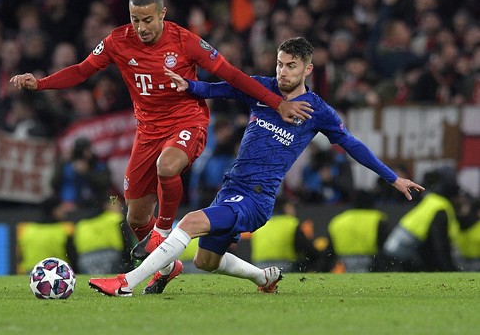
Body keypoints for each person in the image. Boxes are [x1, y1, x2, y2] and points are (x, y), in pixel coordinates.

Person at [10, 0, 313, 291]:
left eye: (147, 20)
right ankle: (167, 266)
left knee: (167, 167)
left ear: (162, 14)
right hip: (147, 132)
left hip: (187, 122)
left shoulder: (185, 41)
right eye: (135, 20)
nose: (140, 28)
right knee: (135, 217)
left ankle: (164, 229)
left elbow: (233, 75)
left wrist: (277, 102)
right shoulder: (117, 40)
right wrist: (41, 83)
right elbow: (81, 70)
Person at [88, 37, 424, 296]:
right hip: (231, 189)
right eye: (279, 64)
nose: (282, 72)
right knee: (205, 262)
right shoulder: (262, 89)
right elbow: (221, 88)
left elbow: (352, 145)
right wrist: (189, 86)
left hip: (257, 197)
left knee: (189, 222)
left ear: (307, 69)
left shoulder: (318, 110)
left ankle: (126, 282)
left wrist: (392, 178)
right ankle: (264, 277)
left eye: (291, 66)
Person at [382, 167, 460, 272]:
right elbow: (440, 244)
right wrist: (449, 269)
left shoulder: (430, 201)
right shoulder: (440, 206)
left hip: (395, 251)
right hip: (402, 255)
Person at [251, 197, 328, 273]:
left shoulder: (261, 224)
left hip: (259, 268)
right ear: (286, 207)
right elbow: (305, 247)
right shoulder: (291, 223)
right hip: (285, 266)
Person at [325, 190, 390, 273]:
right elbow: (386, 250)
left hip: (343, 268)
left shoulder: (338, 220)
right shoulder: (378, 219)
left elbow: (329, 253)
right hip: (371, 267)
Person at [17, 195, 77, 274]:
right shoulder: (64, 230)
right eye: (61, 208)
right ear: (54, 210)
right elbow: (73, 258)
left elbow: (20, 256)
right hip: (57, 272)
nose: (65, 211)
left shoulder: (27, 229)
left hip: (30, 273)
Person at [73, 197, 133, 275]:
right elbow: (127, 241)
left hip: (86, 260)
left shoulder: (80, 225)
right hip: (112, 256)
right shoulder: (115, 218)